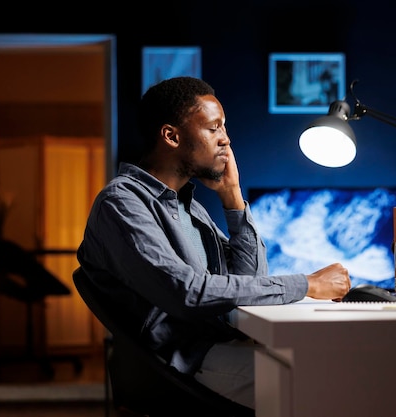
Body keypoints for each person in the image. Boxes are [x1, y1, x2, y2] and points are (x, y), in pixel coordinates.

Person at [76, 76, 351, 410]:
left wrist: (233, 198)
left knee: (340, 368)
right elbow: (188, 293)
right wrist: (306, 284)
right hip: (186, 362)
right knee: (330, 385)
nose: (226, 139)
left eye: (224, 128)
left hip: (219, 345)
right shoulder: (121, 203)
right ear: (171, 136)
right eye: (214, 128)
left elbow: (251, 283)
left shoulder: (189, 206)